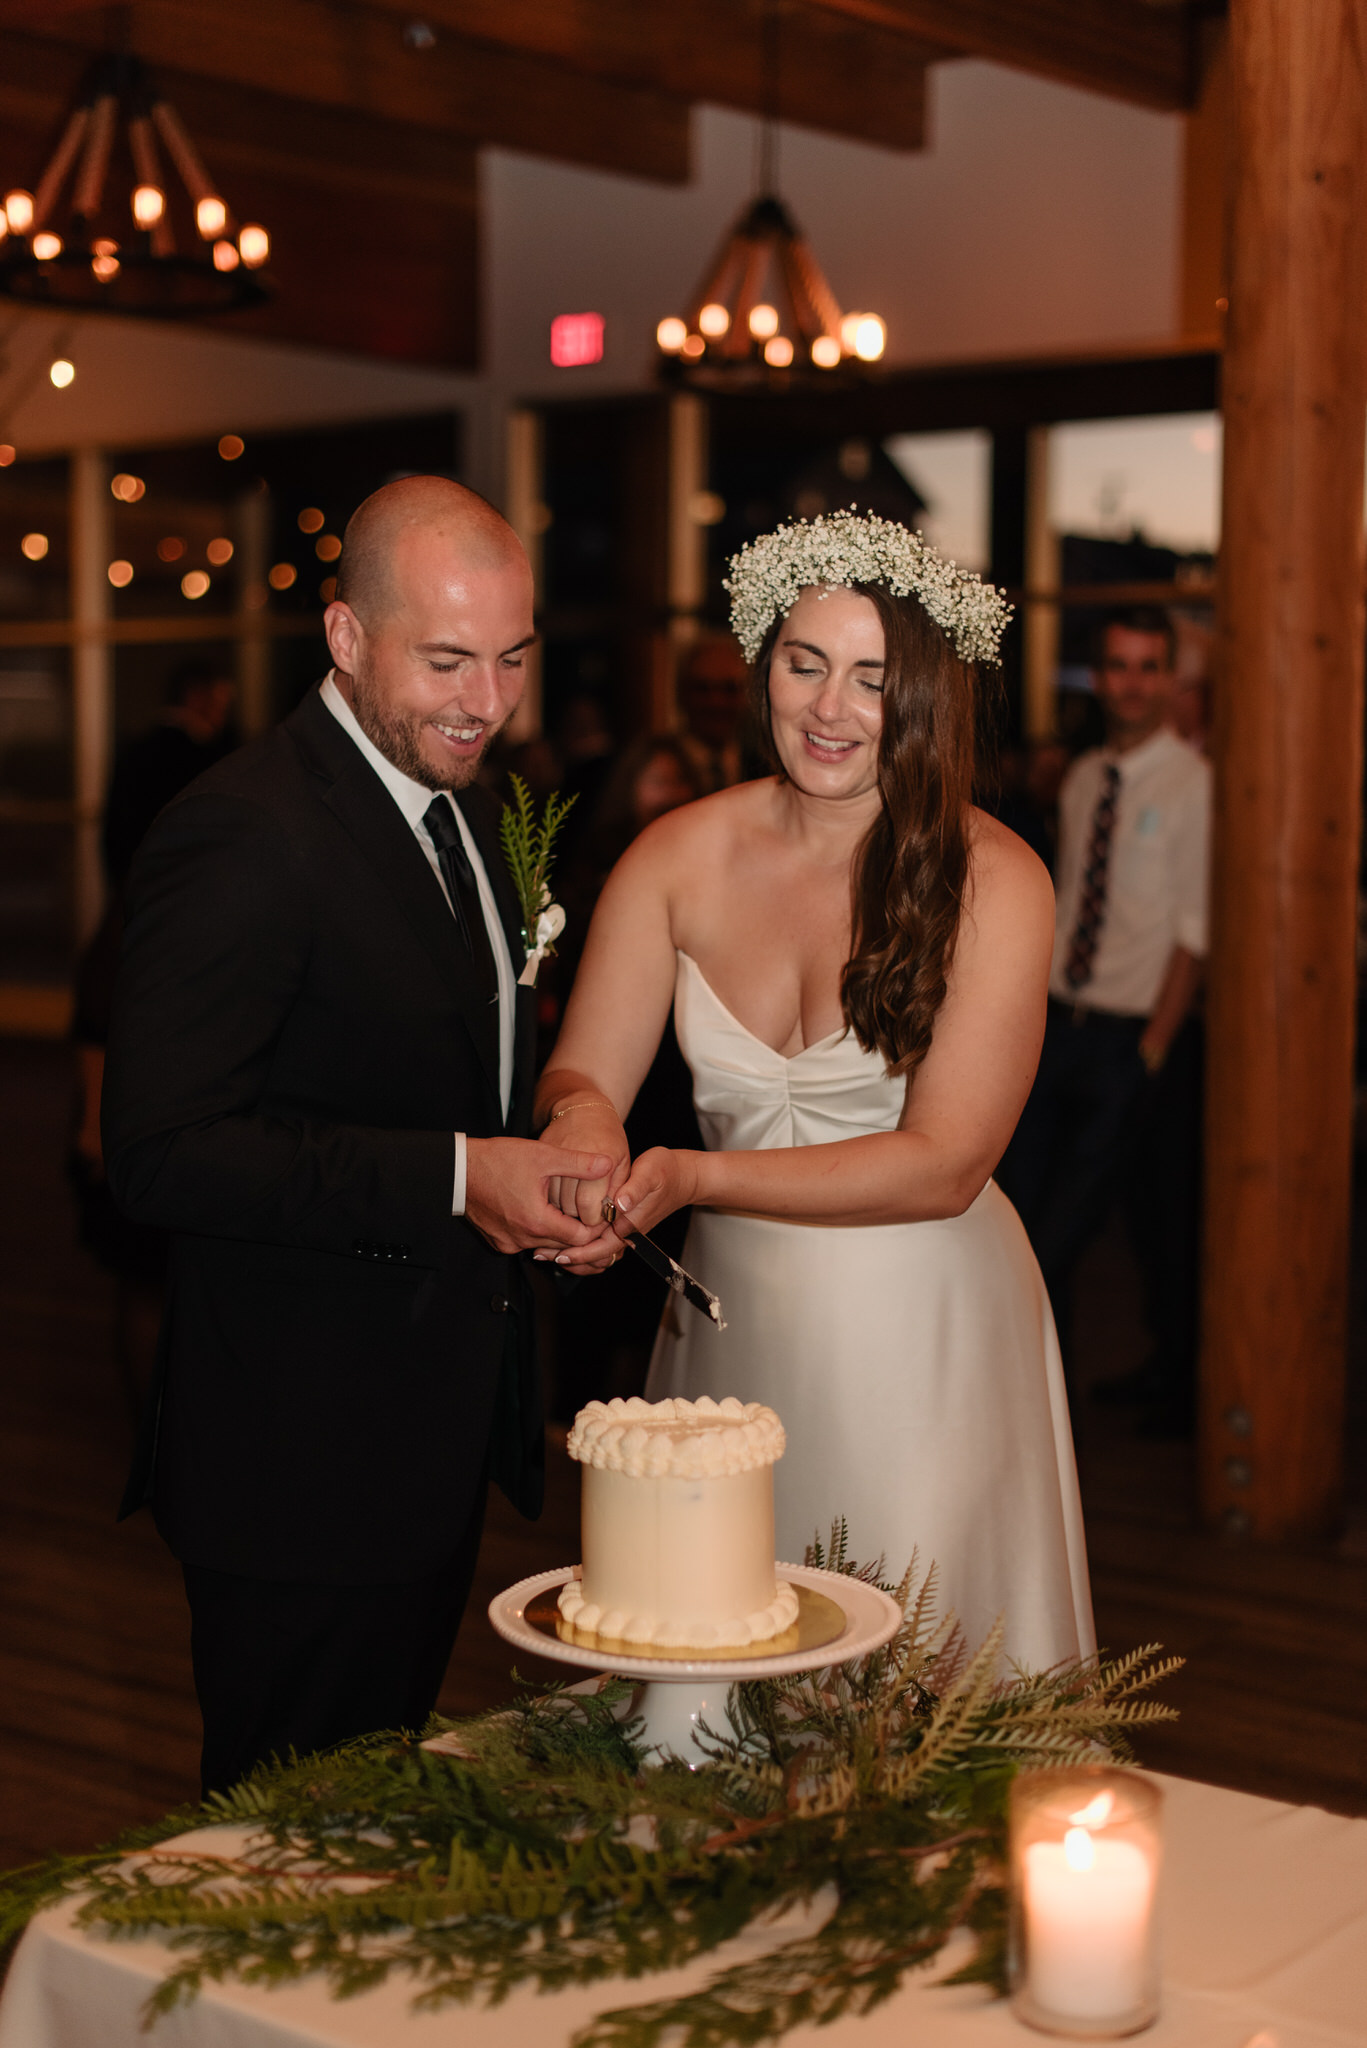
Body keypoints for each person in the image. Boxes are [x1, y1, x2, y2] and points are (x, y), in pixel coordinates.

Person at [102, 477, 613, 1794]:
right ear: (342, 637)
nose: (483, 702)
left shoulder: (472, 814)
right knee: (278, 1847)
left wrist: (547, 1158)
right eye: (445, 660)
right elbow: (158, 1149)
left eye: (509, 660)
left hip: (426, 1433)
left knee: (372, 1807)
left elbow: (449, 1064)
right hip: (299, 1457)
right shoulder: (244, 832)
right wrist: (458, 1178)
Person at [533, 514, 1095, 1673]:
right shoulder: (672, 854)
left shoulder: (995, 877)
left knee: (912, 1672)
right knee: (718, 1641)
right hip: (730, 1317)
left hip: (925, 1324)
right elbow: (582, 1065)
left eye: (871, 677)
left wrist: (689, 1175)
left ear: (925, 696)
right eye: (804, 664)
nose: (828, 708)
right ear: (763, 665)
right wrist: (584, 1120)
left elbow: (944, 1162)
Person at [996, 608, 1211, 1437]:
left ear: (1167, 680)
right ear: (1097, 675)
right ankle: (1041, 1395)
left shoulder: (1192, 785)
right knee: (1022, 1219)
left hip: (1131, 1037)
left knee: (1069, 1231)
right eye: (1116, 664)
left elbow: (1193, 935)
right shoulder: (1085, 775)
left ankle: (1030, 1407)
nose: (1130, 682)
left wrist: (1153, 1047)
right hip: (1057, 1028)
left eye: (1146, 666)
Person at [676, 632, 751, 793]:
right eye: (703, 689)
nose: (716, 702)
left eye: (729, 689)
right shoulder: (653, 768)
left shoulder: (766, 770)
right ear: (681, 693)